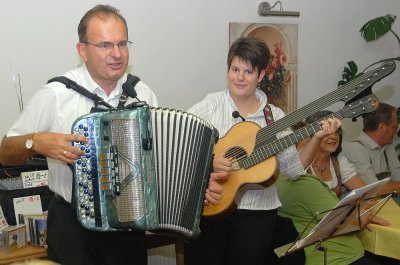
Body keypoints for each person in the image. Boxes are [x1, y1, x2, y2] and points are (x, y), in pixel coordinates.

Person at [0, 5, 223, 265]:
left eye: (122, 44)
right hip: (72, 229)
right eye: (105, 45)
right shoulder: (56, 94)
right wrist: (35, 141)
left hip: (130, 231)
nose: (116, 54)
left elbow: (159, 165)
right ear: (82, 50)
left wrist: (195, 186)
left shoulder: (142, 94)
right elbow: (5, 153)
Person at [184, 37, 341, 265]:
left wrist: (316, 138)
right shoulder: (210, 106)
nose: (239, 77)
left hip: (258, 217)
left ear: (260, 76)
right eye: (234, 69)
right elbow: (181, 146)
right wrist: (210, 161)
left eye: (247, 72)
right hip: (212, 208)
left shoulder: (274, 117)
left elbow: (293, 170)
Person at [275, 173, 384, 265]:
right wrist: (363, 213)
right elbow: (349, 222)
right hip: (337, 257)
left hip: (308, 255)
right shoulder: (302, 183)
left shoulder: (272, 183)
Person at [301, 110, 366, 198]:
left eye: (337, 132)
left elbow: (365, 193)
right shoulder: (300, 163)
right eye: (326, 132)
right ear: (312, 136)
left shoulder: (339, 161)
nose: (334, 137)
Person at [342, 102, 400, 195]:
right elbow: (373, 189)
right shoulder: (355, 148)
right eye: (394, 127)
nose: (396, 132)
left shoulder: (388, 146)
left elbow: (398, 178)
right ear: (382, 128)